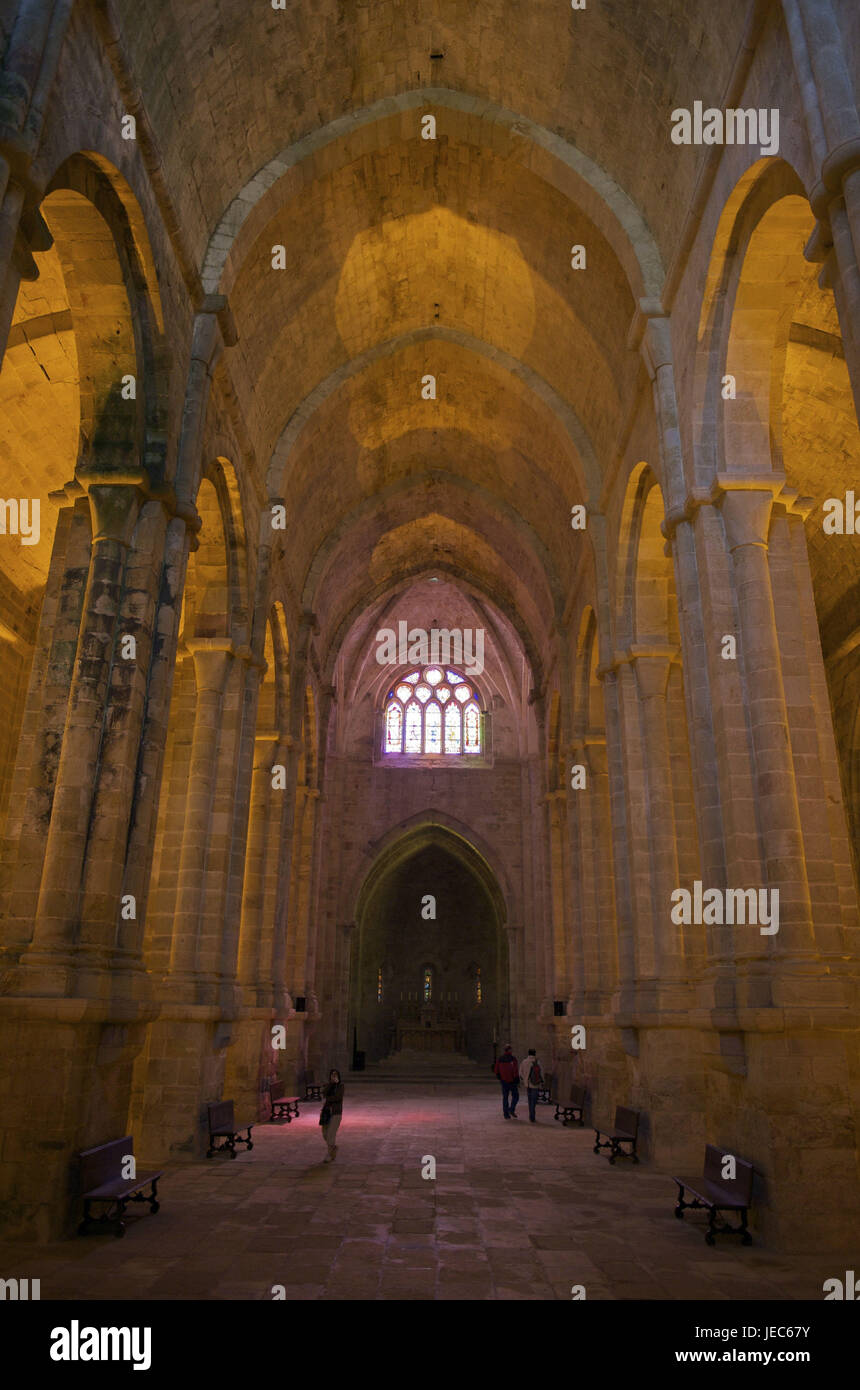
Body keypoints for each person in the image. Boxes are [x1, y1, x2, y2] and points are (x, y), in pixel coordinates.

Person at [319, 1068, 344, 1160]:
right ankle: (333, 1148)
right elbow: (324, 1093)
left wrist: (329, 1098)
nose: (334, 1076)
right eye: (332, 1075)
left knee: (331, 1134)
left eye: (335, 1074)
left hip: (336, 1113)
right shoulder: (328, 1085)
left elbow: (338, 1097)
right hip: (326, 1113)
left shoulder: (341, 1086)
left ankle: (329, 1154)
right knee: (325, 1134)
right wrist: (331, 1083)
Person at [494, 1044, 519, 1119]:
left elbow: (496, 1069)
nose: (512, 1050)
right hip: (512, 1081)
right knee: (516, 1096)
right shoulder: (513, 1059)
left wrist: (500, 1078)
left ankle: (506, 1114)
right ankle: (511, 1109)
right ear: (509, 1050)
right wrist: (516, 1079)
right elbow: (515, 1070)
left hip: (504, 1081)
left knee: (505, 1097)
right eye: (511, 1049)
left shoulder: (500, 1058)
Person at [521, 1048, 544, 1122]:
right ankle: (532, 1115)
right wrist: (542, 1081)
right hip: (535, 1084)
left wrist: (524, 1079)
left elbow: (520, 1072)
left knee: (530, 1099)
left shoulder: (524, 1061)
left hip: (527, 1084)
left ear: (528, 1053)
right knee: (533, 1101)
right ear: (534, 1054)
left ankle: (531, 1114)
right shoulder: (537, 1062)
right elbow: (541, 1073)